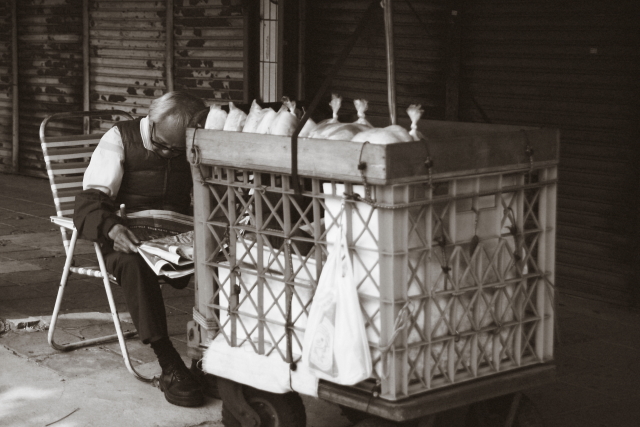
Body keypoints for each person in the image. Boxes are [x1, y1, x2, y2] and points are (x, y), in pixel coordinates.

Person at [73, 91, 208, 407]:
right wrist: (111, 228)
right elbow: (88, 202)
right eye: (162, 146)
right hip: (127, 238)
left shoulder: (198, 141)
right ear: (153, 120)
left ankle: (208, 359)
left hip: (178, 237)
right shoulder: (121, 138)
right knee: (134, 264)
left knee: (230, 259)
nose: (168, 154)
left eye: (177, 150)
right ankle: (169, 362)